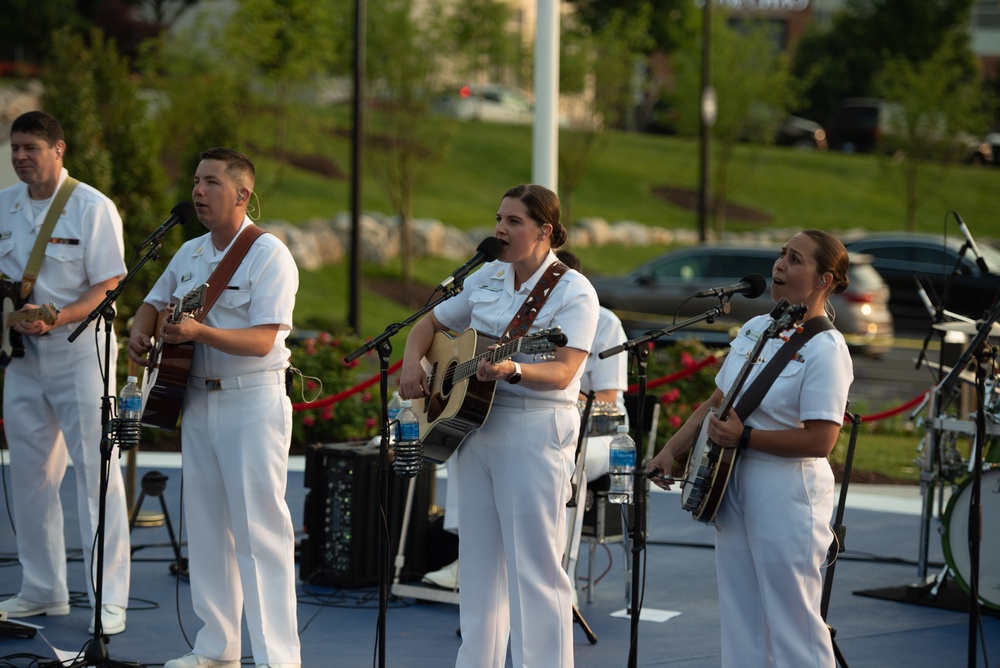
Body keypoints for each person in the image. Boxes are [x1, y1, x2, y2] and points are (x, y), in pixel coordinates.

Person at [399, 184, 598, 668]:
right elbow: (428, 325)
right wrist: (411, 364)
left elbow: (566, 370)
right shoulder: (486, 276)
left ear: (544, 231)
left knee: (536, 569)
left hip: (535, 429)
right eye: (499, 218)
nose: (500, 229)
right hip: (473, 427)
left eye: (513, 221)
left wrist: (516, 369)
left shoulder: (574, 291)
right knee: (480, 567)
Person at [646, 229, 854, 668]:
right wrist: (672, 450)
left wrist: (745, 437)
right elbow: (716, 401)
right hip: (732, 480)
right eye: (782, 254)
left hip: (788, 489)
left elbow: (822, 440)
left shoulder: (827, 347)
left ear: (825, 280)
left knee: (793, 621)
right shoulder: (758, 327)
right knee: (740, 617)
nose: (780, 265)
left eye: (795, 259)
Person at [128, 148, 300, 668]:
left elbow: (266, 340)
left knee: (259, 534)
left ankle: (277, 659)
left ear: (242, 195)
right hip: (195, 396)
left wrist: (200, 331)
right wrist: (140, 330)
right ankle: (216, 648)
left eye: (211, 183)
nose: (198, 191)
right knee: (206, 530)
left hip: (251, 401)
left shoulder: (270, 254)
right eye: (196, 181)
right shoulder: (189, 253)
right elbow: (153, 303)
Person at [0, 111, 131, 635]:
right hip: (25, 358)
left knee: (96, 475)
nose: (20, 157)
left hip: (81, 353)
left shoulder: (91, 207)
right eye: (14, 148)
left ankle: (110, 597)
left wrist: (58, 316)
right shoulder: (5, 206)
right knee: (29, 475)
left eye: (31, 147)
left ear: (59, 148)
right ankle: (43, 588)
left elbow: (110, 283)